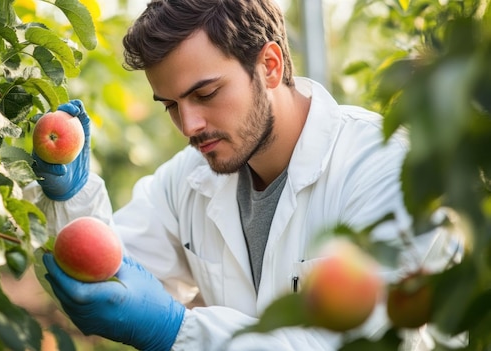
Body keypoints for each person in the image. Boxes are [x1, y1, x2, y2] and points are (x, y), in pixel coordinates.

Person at [23, 0, 458, 350]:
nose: (188, 125)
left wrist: (177, 331)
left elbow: (354, 344)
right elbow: (109, 271)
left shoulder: (386, 167)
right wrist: (70, 197)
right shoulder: (189, 179)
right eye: (171, 105)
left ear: (269, 65)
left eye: (206, 93)